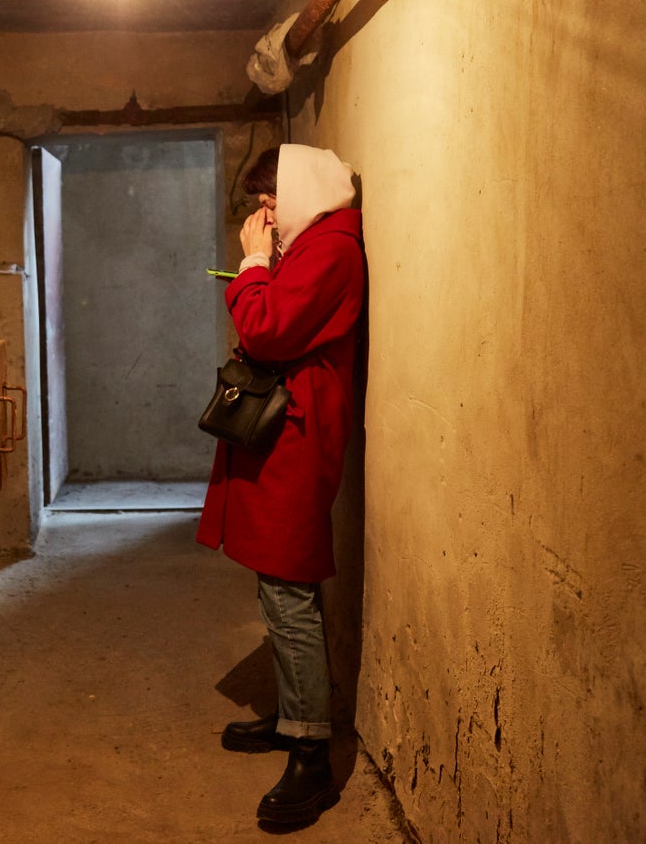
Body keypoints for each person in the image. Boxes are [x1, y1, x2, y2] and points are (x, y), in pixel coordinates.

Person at [197, 143, 365, 826]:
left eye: (271, 200)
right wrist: (260, 269)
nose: (266, 215)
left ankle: (311, 753)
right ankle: (296, 714)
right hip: (287, 427)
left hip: (299, 434)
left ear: (300, 191)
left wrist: (255, 266)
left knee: (290, 586)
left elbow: (266, 329)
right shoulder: (319, 238)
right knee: (278, 582)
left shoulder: (329, 247)